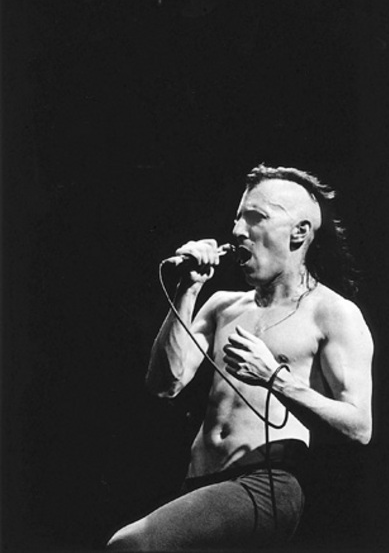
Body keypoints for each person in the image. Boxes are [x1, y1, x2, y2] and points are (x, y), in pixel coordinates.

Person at [107, 165, 373, 551]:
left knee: (130, 545)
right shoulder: (223, 306)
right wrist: (188, 290)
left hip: (265, 484)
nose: (237, 230)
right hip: (199, 484)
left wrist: (275, 378)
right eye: (237, 218)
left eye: (255, 218)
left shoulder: (332, 312)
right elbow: (165, 383)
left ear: (299, 232)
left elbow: (358, 426)